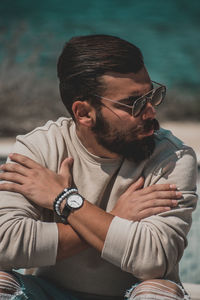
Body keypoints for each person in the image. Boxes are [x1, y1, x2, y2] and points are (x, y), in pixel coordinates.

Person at [0, 34, 198, 300]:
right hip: (48, 293)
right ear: (83, 113)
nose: (150, 112)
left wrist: (66, 202)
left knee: (158, 293)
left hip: (131, 295)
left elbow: (154, 259)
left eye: (151, 95)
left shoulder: (173, 157)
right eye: (133, 103)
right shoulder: (39, 149)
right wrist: (118, 217)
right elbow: (5, 244)